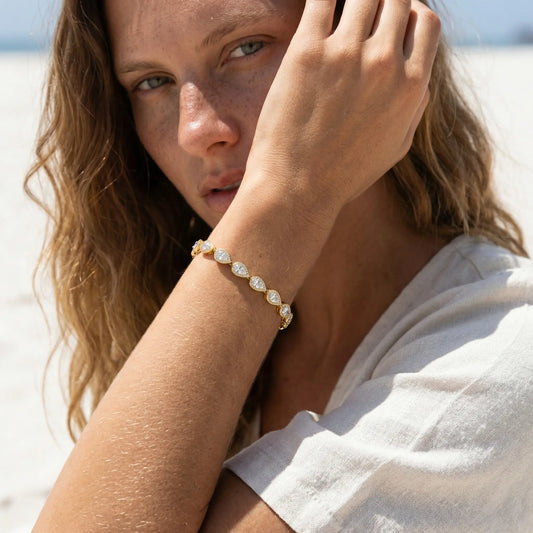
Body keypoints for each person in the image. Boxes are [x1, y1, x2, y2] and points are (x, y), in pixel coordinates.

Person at [25, 0, 533, 530]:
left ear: (377, 38)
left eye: (245, 48)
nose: (196, 129)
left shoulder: (499, 353)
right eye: (152, 82)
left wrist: (290, 191)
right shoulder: (185, 316)